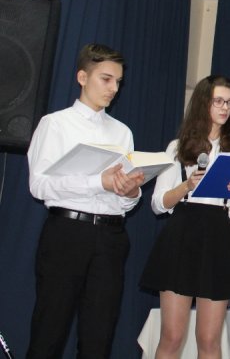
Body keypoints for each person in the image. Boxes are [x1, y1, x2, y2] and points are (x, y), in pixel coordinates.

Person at [27, 43, 147, 358]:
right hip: (67, 233)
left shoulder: (122, 132)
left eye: (118, 81)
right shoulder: (55, 124)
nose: (114, 88)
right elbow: (39, 185)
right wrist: (98, 182)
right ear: (82, 77)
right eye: (106, 79)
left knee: (98, 338)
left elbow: (125, 201)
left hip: (111, 237)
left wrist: (130, 192)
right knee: (49, 333)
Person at [139, 75, 230, 358]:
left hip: (218, 237)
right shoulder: (177, 148)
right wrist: (186, 186)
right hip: (182, 235)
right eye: (219, 101)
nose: (225, 108)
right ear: (203, 103)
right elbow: (158, 204)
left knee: (210, 340)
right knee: (172, 336)